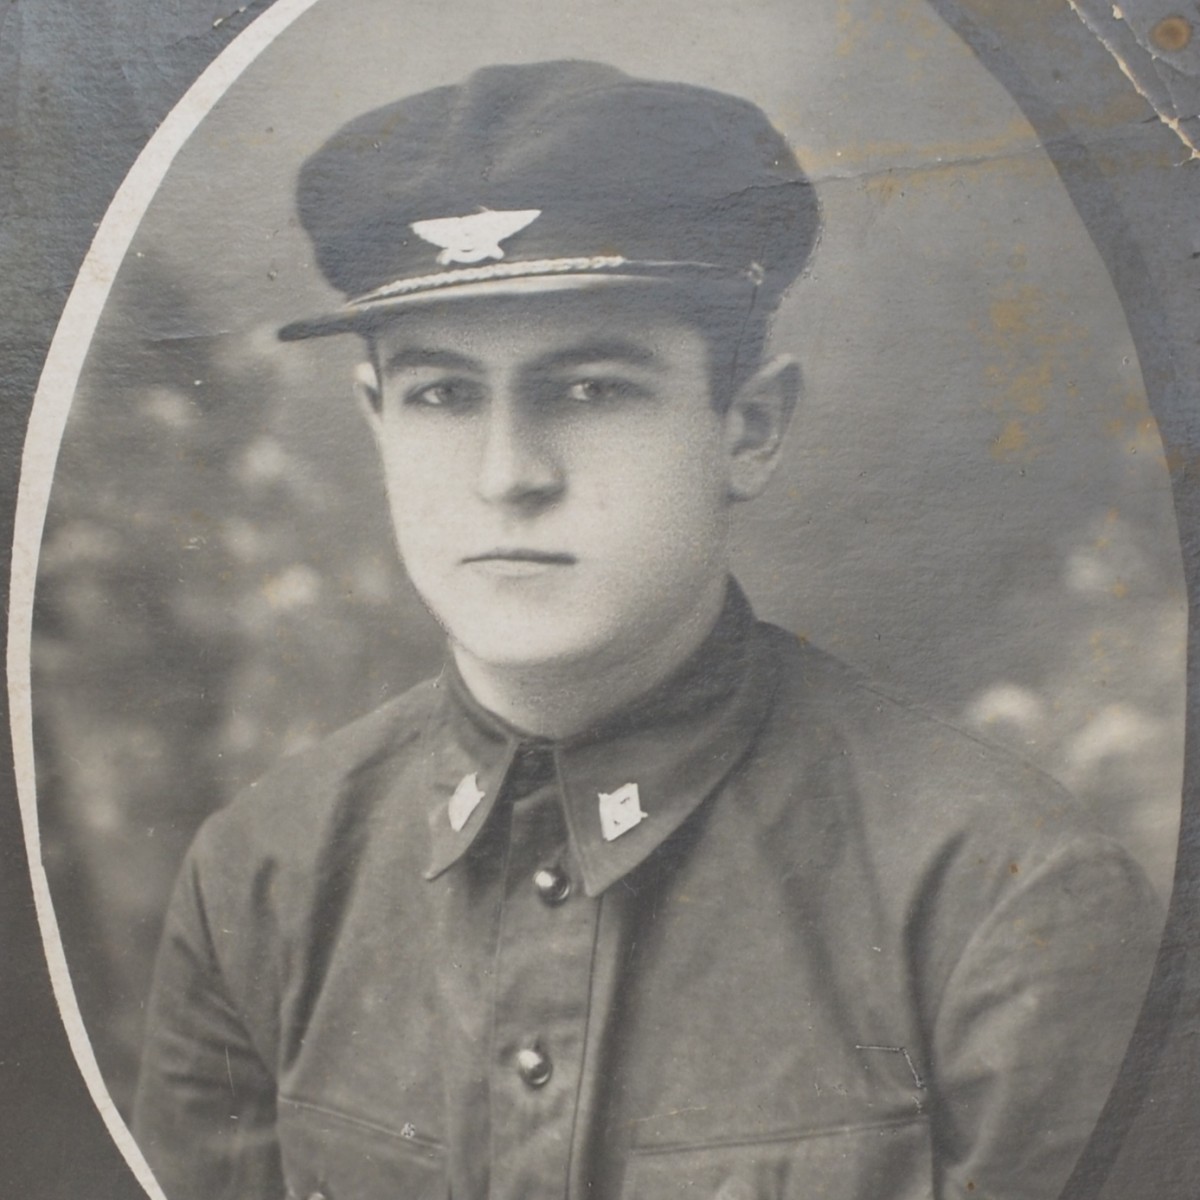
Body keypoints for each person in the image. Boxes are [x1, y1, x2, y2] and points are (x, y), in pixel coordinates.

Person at [132, 60, 1161, 1200]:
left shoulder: (999, 903)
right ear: (374, 418)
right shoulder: (259, 878)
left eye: (592, 390)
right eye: (442, 395)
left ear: (750, 428)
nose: (507, 476)